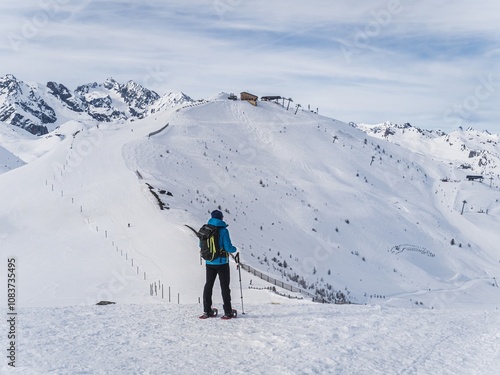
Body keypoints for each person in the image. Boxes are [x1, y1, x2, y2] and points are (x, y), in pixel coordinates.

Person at [200, 209, 237, 319]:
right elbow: (228, 247)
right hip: (222, 263)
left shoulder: (205, 229)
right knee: (224, 287)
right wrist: (235, 249)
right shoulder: (223, 230)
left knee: (208, 285)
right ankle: (228, 311)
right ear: (221, 218)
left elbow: (200, 244)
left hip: (209, 262)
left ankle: (207, 311)